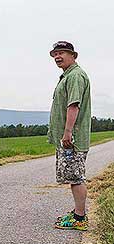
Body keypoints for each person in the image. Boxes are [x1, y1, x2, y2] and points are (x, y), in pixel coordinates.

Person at [48, 41, 91, 231]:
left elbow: (73, 105)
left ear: (73, 55)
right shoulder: (68, 76)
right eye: (55, 54)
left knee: (76, 177)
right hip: (68, 137)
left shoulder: (75, 76)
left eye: (62, 53)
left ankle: (80, 219)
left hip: (72, 139)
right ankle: (77, 213)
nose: (58, 57)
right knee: (73, 176)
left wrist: (67, 132)